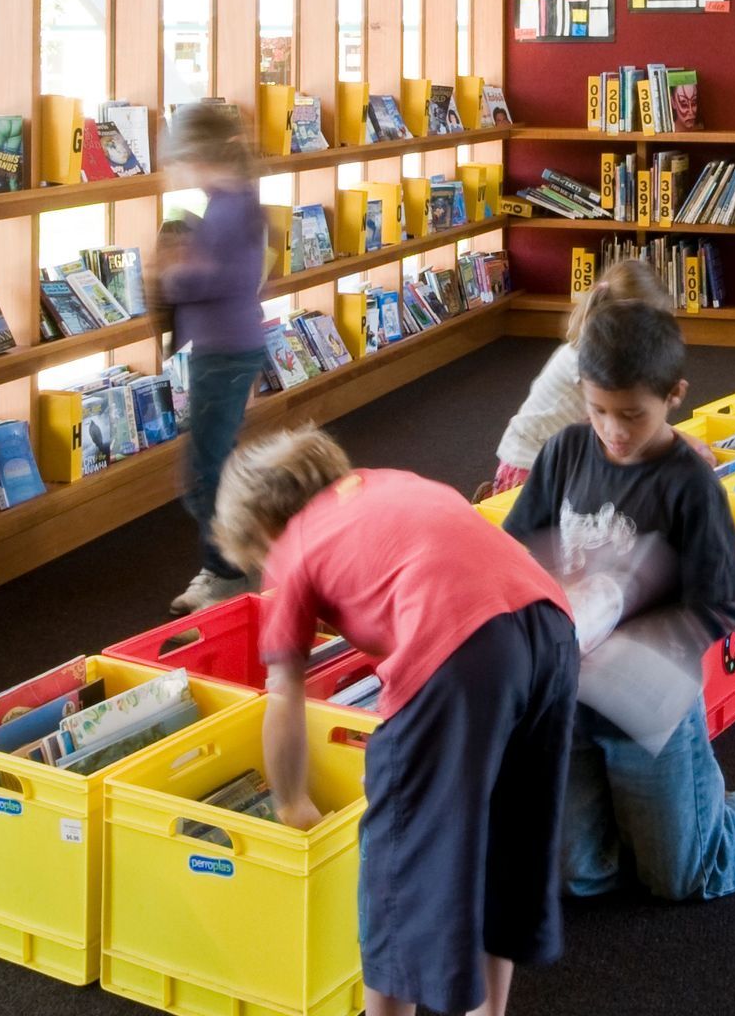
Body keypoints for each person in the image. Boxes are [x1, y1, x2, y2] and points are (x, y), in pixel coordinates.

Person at [216, 429, 577, 1016]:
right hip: (551, 626)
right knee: (503, 842)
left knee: (396, 866)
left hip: (460, 648)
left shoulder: (294, 545)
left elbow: (283, 692)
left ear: (262, 528)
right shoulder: (391, 483)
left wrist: (291, 803)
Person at [503, 300, 735, 901]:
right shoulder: (564, 453)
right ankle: (646, 824)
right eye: (598, 410)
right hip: (571, 702)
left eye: (632, 415)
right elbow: (516, 549)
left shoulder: (689, 482)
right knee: (573, 875)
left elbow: (722, 602)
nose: (613, 430)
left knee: (683, 876)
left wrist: (636, 644)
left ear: (674, 396)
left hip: (651, 711)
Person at [158, 99, 271, 614]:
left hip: (225, 351)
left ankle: (227, 570)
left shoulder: (230, 208)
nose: (180, 169)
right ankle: (241, 553)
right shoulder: (230, 201)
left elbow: (226, 278)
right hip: (224, 347)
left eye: (184, 158)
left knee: (205, 474)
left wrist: (174, 274)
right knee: (212, 462)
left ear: (203, 155)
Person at [486, 260, 677, 494]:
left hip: (562, 457)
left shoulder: (603, 349)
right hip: (530, 467)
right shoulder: (589, 361)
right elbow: (634, 425)